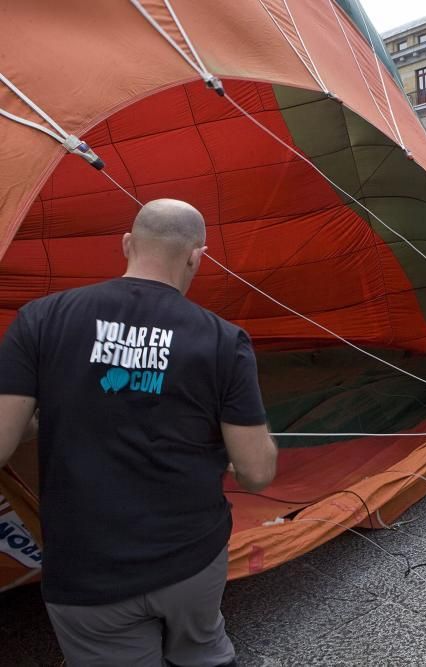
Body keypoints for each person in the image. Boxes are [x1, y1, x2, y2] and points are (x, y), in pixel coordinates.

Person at [0, 199, 278, 666]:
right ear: (196, 256)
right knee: (203, 652)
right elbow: (256, 472)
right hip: (191, 557)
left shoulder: (40, 319)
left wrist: (53, 415)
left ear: (127, 244)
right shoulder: (222, 340)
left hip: (87, 570)